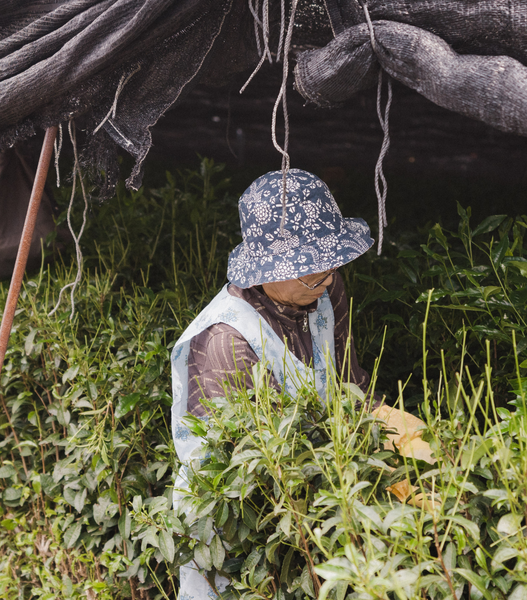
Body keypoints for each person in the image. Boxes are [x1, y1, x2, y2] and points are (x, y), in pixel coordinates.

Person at [169, 168, 433, 599]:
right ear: (265, 270)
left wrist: (390, 426)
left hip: (324, 482)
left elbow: (347, 378)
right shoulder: (225, 341)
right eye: (310, 270)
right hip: (248, 518)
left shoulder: (325, 289)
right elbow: (259, 467)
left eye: (330, 263)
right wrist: (371, 473)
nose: (326, 276)